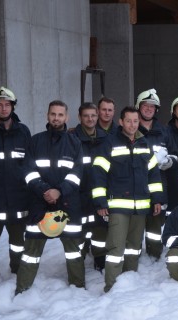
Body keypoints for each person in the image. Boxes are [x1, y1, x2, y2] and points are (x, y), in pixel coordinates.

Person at [15, 100, 85, 295]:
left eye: (60, 114)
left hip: (67, 203)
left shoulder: (75, 143)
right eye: (53, 114)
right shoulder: (35, 141)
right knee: (31, 253)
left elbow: (77, 173)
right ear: (47, 115)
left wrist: (59, 191)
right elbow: (28, 172)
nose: (56, 118)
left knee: (74, 252)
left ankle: (78, 290)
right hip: (39, 203)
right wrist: (45, 191)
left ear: (67, 117)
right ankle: (22, 291)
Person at [92, 107, 164, 293]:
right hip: (117, 208)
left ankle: (129, 287)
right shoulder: (110, 143)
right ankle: (111, 288)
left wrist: (156, 199)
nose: (132, 125)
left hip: (140, 207)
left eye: (135, 121)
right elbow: (98, 174)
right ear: (121, 122)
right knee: (116, 250)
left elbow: (154, 174)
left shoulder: (143, 143)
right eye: (129, 121)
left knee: (133, 249)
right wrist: (100, 202)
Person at [0, 87, 32, 281]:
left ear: (13, 107)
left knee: (18, 243)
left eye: (7, 105)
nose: (4, 109)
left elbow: (29, 163)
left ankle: (18, 271)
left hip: (18, 198)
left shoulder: (23, 131)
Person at [135, 89, 178, 261]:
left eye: (152, 107)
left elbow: (175, 154)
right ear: (138, 107)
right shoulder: (131, 128)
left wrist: (168, 162)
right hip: (135, 187)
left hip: (158, 186)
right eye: (145, 106)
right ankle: (135, 256)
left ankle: (154, 256)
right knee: (136, 225)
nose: (148, 109)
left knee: (155, 224)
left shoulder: (164, 131)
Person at [70, 102, 108, 272]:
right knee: (79, 230)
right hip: (78, 193)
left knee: (100, 229)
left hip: (99, 193)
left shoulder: (105, 138)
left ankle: (100, 259)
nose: (90, 119)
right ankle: (78, 261)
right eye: (86, 116)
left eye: (93, 115)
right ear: (80, 117)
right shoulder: (71, 138)